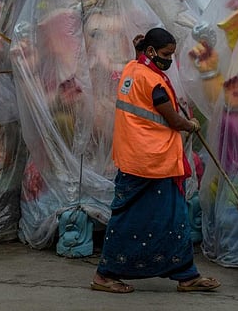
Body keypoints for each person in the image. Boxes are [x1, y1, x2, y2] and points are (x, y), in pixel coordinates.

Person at [90, 28, 220, 293]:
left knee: (170, 218)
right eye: (165, 54)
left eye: (172, 54)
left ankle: (186, 275)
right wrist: (191, 124)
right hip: (151, 162)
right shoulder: (155, 84)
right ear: (151, 52)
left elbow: (139, 62)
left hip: (137, 159)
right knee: (139, 219)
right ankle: (104, 275)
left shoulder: (131, 69)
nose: (169, 60)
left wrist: (139, 50)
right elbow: (173, 120)